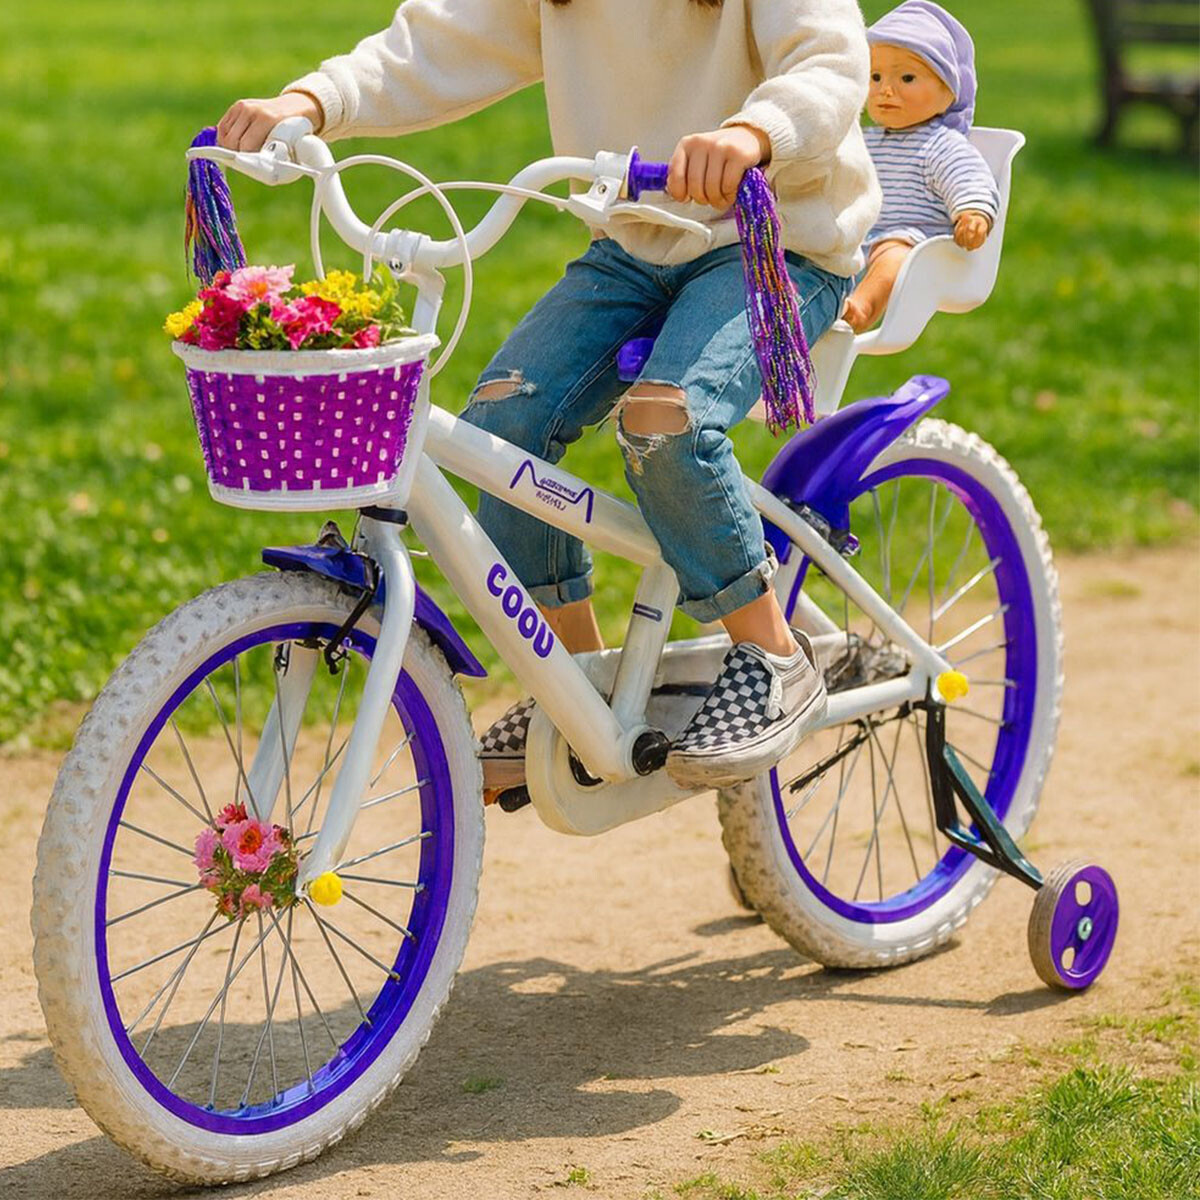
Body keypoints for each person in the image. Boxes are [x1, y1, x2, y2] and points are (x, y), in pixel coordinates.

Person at [218, 0, 880, 792]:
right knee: (502, 425)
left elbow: (832, 61)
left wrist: (754, 133)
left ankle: (774, 656)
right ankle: (584, 687)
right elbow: (437, 42)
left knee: (665, 421)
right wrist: (313, 102)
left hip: (777, 239)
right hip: (636, 237)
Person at [842, 0, 999, 332]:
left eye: (907, 77)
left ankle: (863, 307)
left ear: (948, 92)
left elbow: (969, 179)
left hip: (914, 245)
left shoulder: (941, 144)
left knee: (893, 255)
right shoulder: (863, 140)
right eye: (875, 75)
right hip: (857, 238)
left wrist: (973, 214)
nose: (886, 89)